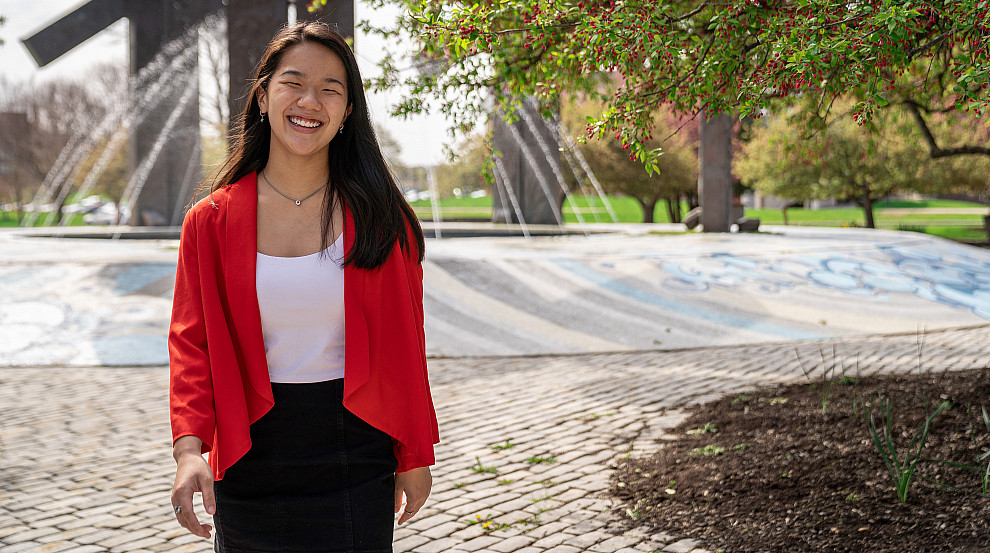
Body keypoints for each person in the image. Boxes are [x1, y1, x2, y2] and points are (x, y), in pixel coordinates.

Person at [168, 21, 439, 553]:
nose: (310, 101)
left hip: (357, 446)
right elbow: (191, 345)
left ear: (347, 112)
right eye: (293, 83)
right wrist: (188, 451)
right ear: (264, 96)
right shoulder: (210, 222)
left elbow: (407, 346)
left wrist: (412, 454)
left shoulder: (384, 220)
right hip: (247, 448)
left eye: (331, 89)